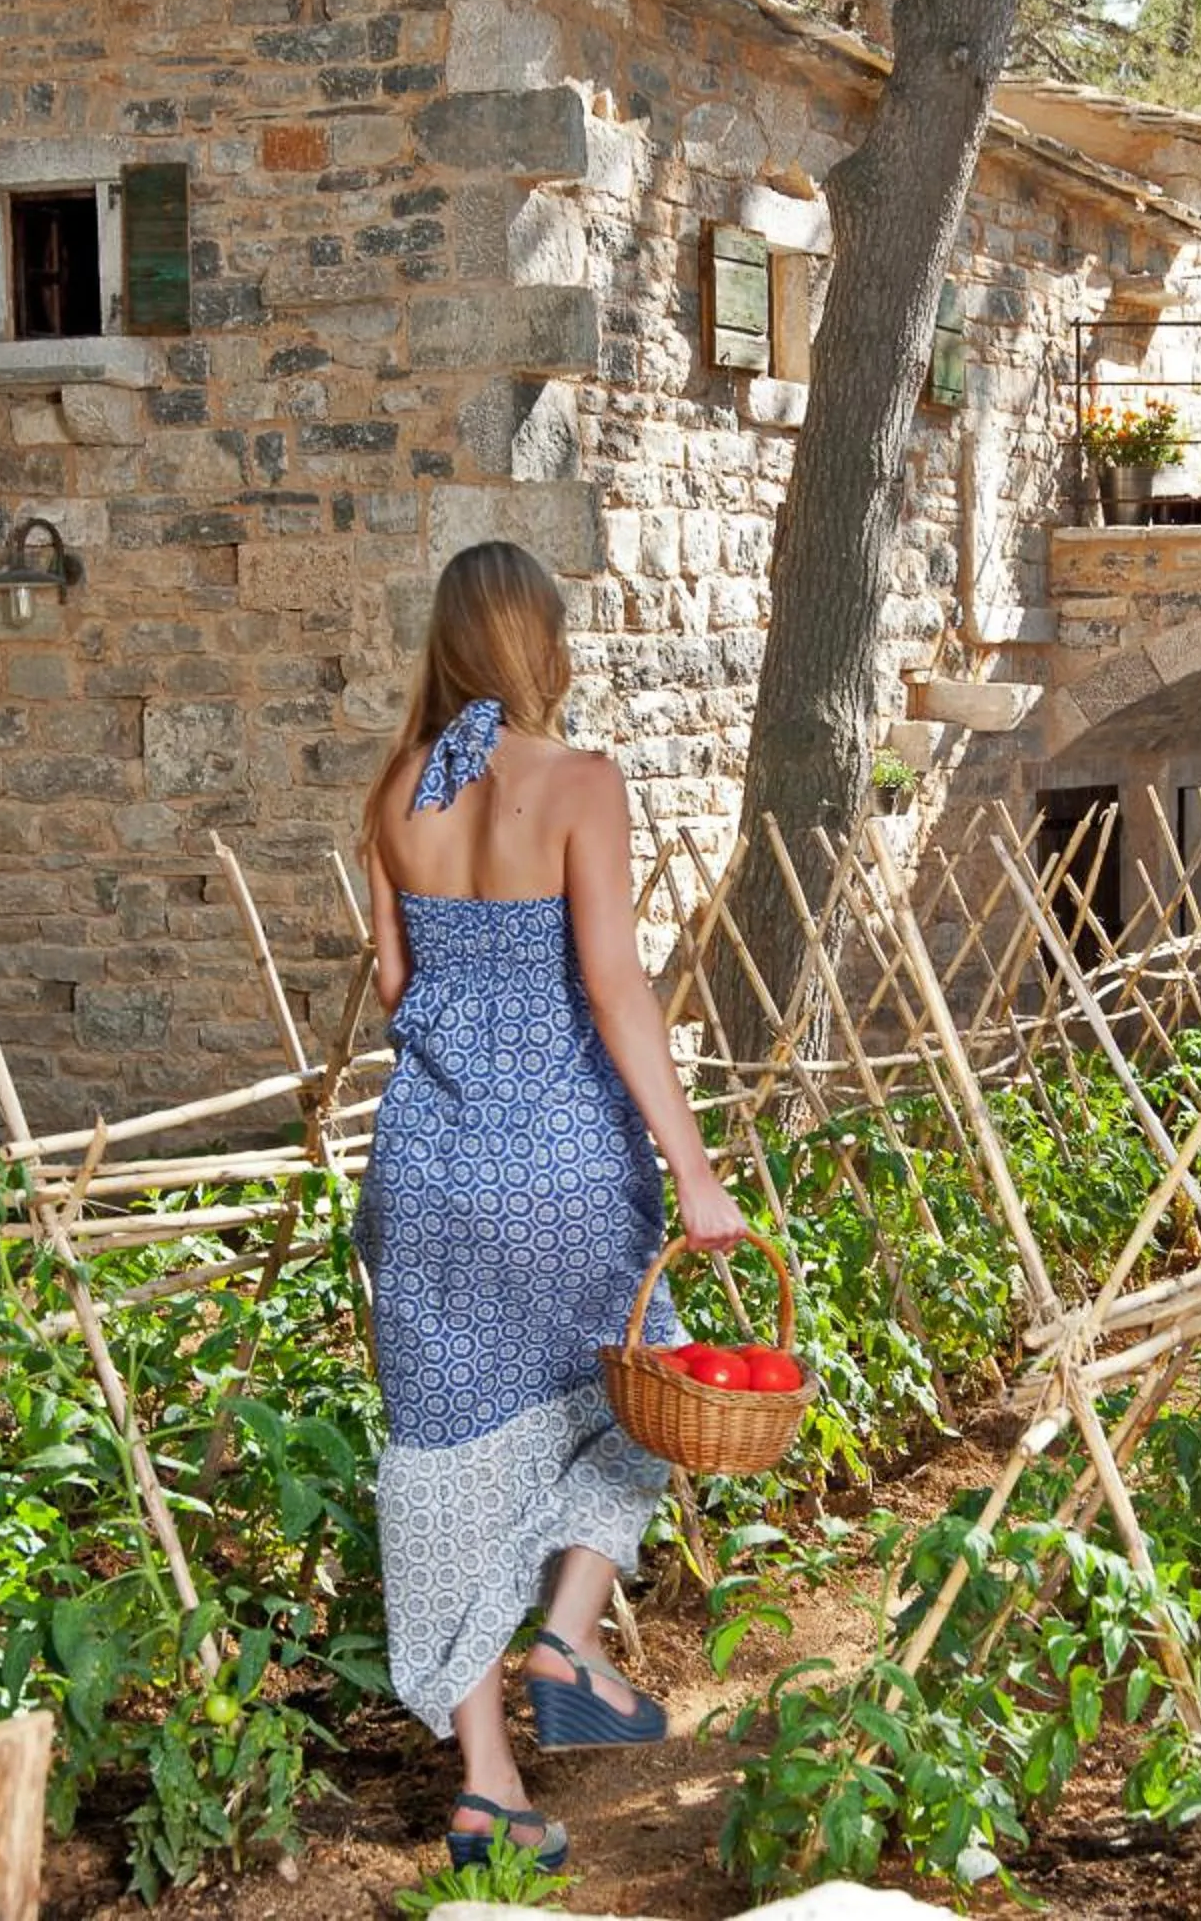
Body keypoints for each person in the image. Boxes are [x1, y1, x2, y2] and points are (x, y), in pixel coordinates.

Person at [352, 541, 745, 1872]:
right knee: (649, 1388)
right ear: (539, 643)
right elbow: (616, 986)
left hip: (426, 1175)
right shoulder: (581, 782)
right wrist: (693, 1170)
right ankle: (567, 1638)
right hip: (562, 1165)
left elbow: (400, 991)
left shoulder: (395, 790)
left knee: (443, 1464)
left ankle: (487, 1788)